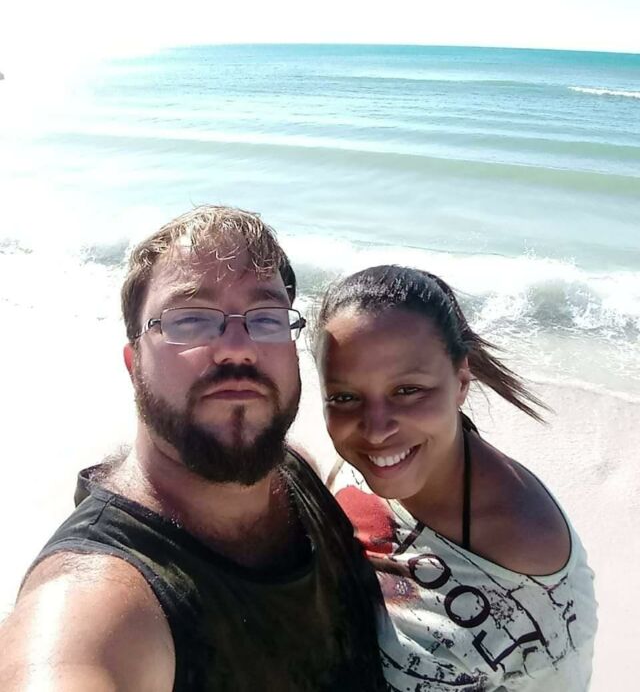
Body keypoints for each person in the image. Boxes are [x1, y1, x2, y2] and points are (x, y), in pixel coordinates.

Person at [0, 206, 387, 692]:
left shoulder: (296, 473)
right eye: (190, 320)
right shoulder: (99, 598)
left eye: (266, 318)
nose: (238, 347)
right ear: (134, 363)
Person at [312, 265, 597, 692]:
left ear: (461, 381)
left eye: (407, 390)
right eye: (345, 397)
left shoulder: (532, 571)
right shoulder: (351, 465)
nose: (375, 429)